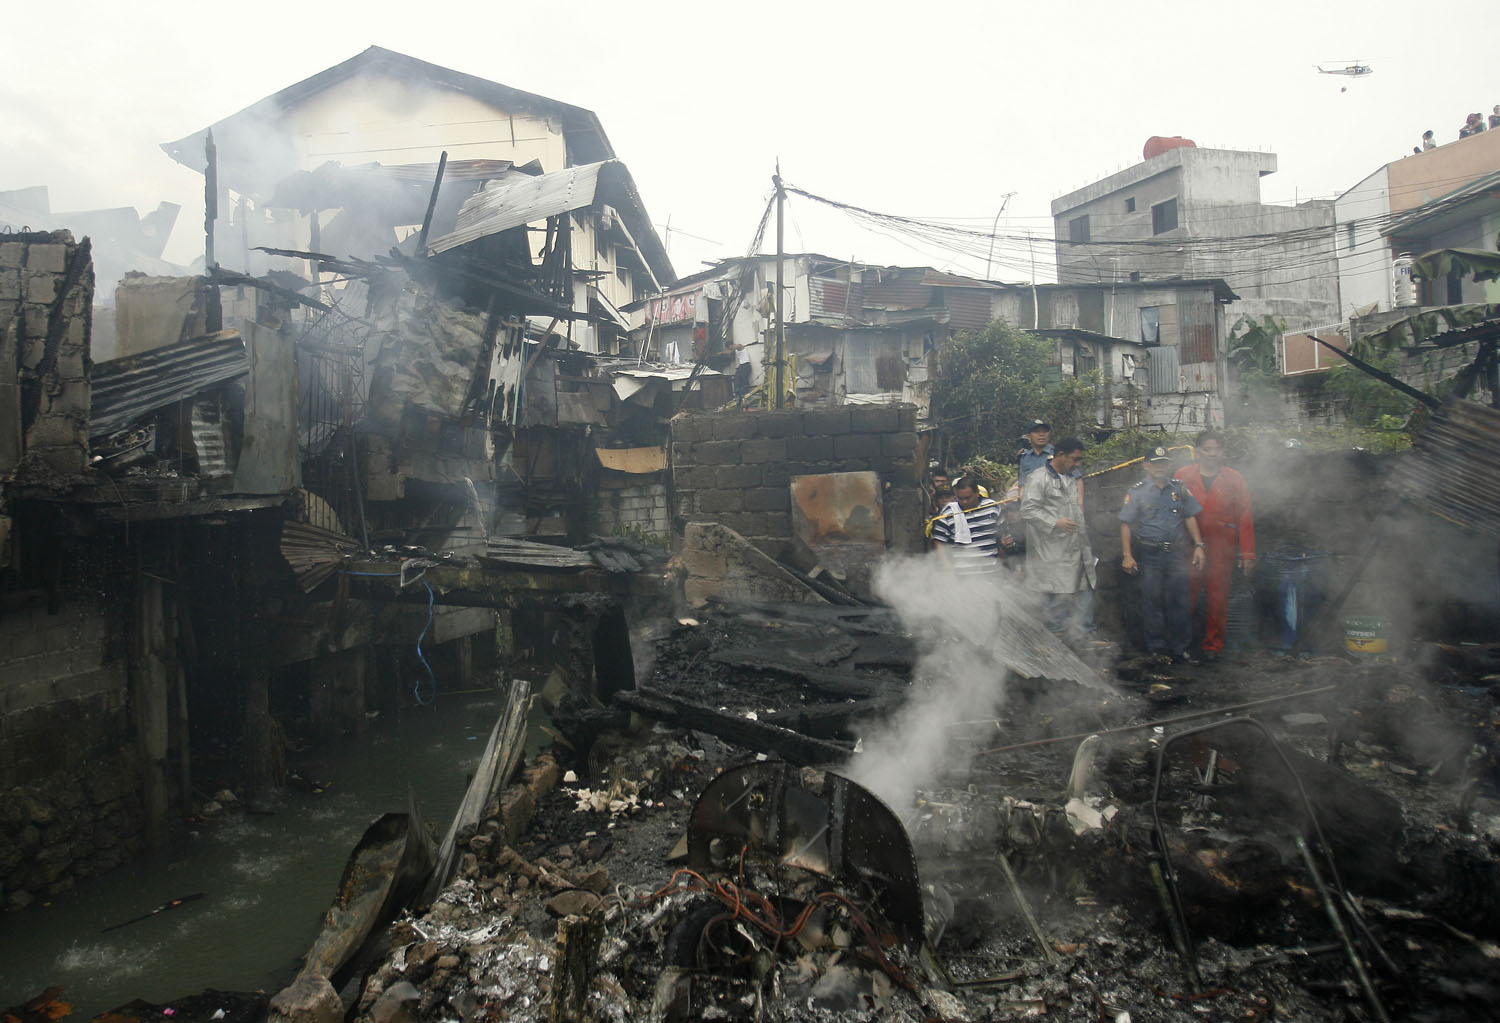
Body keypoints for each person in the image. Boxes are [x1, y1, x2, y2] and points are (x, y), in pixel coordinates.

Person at [1119, 447, 1206, 664]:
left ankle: (1181, 649)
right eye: (1156, 463)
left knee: (1179, 602)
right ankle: (1157, 649)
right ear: (1145, 465)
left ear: (1169, 465)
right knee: (1152, 601)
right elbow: (1126, 524)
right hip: (1150, 554)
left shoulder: (1179, 488)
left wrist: (1199, 544)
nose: (1161, 467)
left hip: (1176, 554)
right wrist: (1127, 555)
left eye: (1164, 463)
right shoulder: (1136, 491)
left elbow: (1189, 517)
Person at [1174, 431, 1255, 661]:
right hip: (1190, 543)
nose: (1211, 453)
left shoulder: (1235, 478)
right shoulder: (1182, 475)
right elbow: (1173, 510)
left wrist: (1248, 552)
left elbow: (1245, 515)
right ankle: (1182, 644)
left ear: (1223, 452)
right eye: (1207, 449)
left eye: (1216, 449)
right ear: (1197, 451)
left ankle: (1213, 645)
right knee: (1185, 594)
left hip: (1223, 545)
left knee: (1218, 597)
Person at [1021, 437, 1097, 644]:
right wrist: (1055, 522)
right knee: (1056, 597)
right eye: (1075, 459)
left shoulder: (1070, 477)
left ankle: (1082, 638)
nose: (1077, 464)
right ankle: (1055, 643)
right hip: (1052, 550)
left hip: (1075, 547)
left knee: (1082, 590)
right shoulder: (1038, 478)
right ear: (1061, 455)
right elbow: (1028, 510)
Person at [929, 476, 1004, 574]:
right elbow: (939, 543)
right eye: (960, 498)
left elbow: (1002, 535)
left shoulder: (992, 507)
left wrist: (1000, 559)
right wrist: (947, 567)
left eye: (968, 498)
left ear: (977, 493)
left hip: (990, 572)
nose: (964, 502)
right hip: (961, 575)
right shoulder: (948, 512)